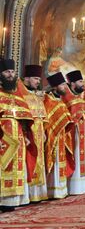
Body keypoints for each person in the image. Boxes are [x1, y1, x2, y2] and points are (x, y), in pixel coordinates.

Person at [0, 59, 33, 209]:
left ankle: (13, 200)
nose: (10, 75)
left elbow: (25, 118)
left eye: (13, 72)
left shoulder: (18, 95)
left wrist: (26, 135)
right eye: (7, 72)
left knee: (17, 166)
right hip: (2, 136)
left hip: (18, 136)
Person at [18, 64, 48, 202]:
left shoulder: (36, 96)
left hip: (39, 132)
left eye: (39, 79)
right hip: (28, 133)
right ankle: (27, 194)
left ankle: (37, 194)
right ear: (27, 78)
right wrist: (24, 134)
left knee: (39, 162)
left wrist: (45, 131)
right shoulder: (20, 94)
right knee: (28, 162)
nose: (38, 81)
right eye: (36, 78)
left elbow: (43, 116)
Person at [43, 73, 75, 199]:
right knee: (54, 162)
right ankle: (53, 191)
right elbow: (49, 119)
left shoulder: (60, 101)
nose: (65, 88)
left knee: (60, 161)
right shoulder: (48, 100)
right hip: (53, 136)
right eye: (62, 85)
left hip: (62, 136)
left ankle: (61, 190)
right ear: (55, 87)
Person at [64, 70, 85, 195]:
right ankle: (73, 187)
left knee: (83, 157)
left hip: (83, 134)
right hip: (72, 133)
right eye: (80, 82)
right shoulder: (65, 97)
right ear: (72, 83)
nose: (83, 84)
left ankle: (83, 186)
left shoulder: (80, 99)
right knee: (74, 156)